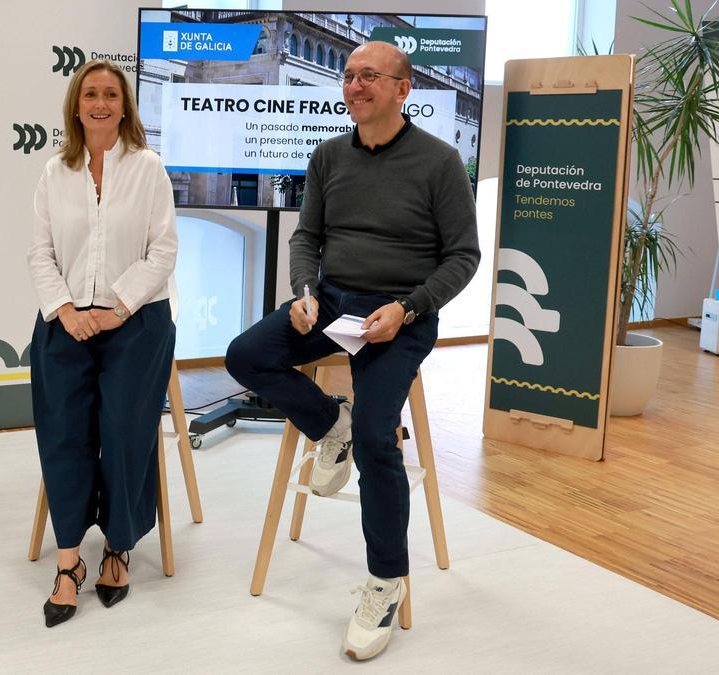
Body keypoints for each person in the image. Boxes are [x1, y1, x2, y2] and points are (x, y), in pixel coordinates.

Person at [225, 41, 479, 660]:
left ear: (402, 89)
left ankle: (385, 580)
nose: (355, 85)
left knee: (375, 438)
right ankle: (325, 421)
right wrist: (305, 292)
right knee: (245, 356)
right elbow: (307, 237)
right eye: (349, 75)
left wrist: (410, 308)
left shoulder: (440, 162)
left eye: (370, 76)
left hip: (401, 316)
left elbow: (463, 257)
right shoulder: (327, 156)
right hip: (333, 303)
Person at [27, 59, 178, 628]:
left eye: (111, 94)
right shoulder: (53, 172)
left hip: (136, 322)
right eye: (90, 93)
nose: (100, 103)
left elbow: (162, 252)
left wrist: (115, 307)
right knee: (64, 431)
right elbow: (39, 254)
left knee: (121, 429)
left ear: (124, 105)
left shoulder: (149, 169)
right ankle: (69, 562)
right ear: (76, 104)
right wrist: (66, 309)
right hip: (65, 321)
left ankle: (118, 546)